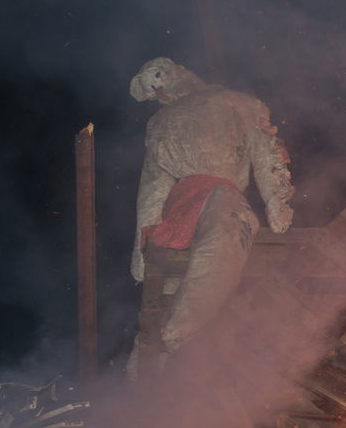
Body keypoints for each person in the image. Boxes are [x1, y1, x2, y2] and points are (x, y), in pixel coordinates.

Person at [126, 57, 294, 378]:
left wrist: (276, 199)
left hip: (222, 196)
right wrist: (140, 251)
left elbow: (264, 150)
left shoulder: (233, 102)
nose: (159, 93)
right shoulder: (160, 124)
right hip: (181, 209)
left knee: (224, 235)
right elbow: (153, 188)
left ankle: (182, 331)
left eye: (160, 82)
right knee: (167, 290)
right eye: (152, 91)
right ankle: (143, 380)